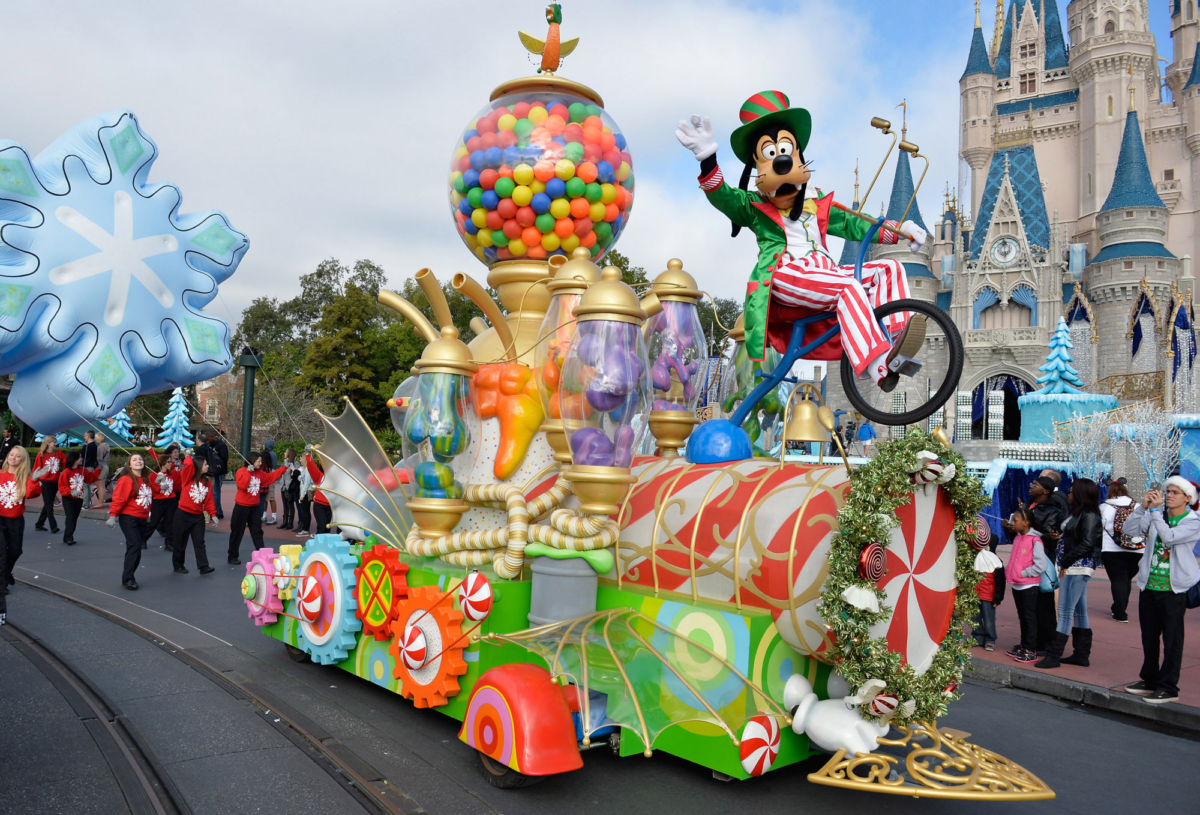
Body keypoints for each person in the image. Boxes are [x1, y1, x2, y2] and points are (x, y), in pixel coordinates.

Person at [1122, 477, 1200, 705]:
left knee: (1172, 639)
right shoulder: (1157, 515)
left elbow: (1170, 537)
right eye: (1167, 492)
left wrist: (1154, 513)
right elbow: (1129, 530)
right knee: (1149, 636)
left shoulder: (1193, 521)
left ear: (1187, 498)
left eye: (1175, 492)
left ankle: (1168, 687)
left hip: (1174, 589)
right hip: (1149, 585)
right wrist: (1143, 507)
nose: (1169, 495)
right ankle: (1149, 680)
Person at [1037, 478, 1102, 669]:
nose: (1069, 495)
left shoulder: (1089, 515)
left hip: (1076, 566)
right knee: (1080, 610)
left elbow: (1087, 543)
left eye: (1072, 491)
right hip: (1072, 564)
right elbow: (1075, 537)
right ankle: (1081, 654)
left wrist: (1065, 560)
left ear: (1081, 494)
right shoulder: (1078, 514)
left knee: (1065, 611)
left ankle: (1054, 655)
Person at [0, 448, 50, 622]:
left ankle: (6, 574)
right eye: (11, 455)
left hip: (15, 519)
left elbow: (31, 494)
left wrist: (35, 480)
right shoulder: (1, 474)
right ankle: (3, 583)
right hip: (0, 519)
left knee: (15, 550)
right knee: (2, 553)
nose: (13, 458)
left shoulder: (25, 477)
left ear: (23, 460)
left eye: (17, 456)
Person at [1004, 508, 1049, 663]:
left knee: (1029, 617)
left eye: (1015, 521)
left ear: (1026, 522)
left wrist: (1024, 573)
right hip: (1017, 584)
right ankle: (1024, 645)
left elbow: (1041, 565)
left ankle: (1031, 649)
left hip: (1028, 585)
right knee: (1022, 616)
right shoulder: (1018, 537)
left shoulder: (1034, 540)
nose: (1012, 523)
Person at [227, 452, 286, 565]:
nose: (260, 463)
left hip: (254, 507)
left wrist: (283, 469)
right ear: (251, 461)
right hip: (241, 507)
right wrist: (248, 472)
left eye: (260, 461)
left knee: (257, 532)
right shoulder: (241, 471)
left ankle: (262, 553)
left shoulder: (259, 473)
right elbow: (243, 486)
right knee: (237, 532)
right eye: (258, 461)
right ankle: (232, 555)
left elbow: (270, 478)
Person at [107, 454, 153, 591]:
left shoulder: (145, 480)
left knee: (134, 547)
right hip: (129, 518)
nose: (138, 461)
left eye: (140, 459)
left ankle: (128, 575)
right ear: (129, 465)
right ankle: (128, 578)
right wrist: (112, 516)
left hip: (142, 518)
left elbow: (150, 494)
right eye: (134, 460)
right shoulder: (126, 479)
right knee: (135, 545)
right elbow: (119, 498)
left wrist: (159, 487)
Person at [1100, 478, 1141, 624]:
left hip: (1111, 549)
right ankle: (1119, 607)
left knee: (1118, 580)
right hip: (1136, 550)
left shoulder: (1104, 507)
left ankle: (1120, 612)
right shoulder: (1137, 506)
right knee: (1126, 579)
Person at [172, 454, 218, 575]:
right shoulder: (188, 477)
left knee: (199, 542)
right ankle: (178, 565)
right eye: (205, 464)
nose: (207, 466)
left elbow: (209, 500)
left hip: (198, 516)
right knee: (180, 542)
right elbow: (188, 466)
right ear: (198, 466)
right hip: (183, 514)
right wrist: (188, 456)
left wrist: (213, 514)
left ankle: (203, 566)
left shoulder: (207, 482)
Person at [973, 526, 1005, 651]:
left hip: (989, 597)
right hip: (976, 594)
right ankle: (977, 636)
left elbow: (1000, 582)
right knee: (975, 618)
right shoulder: (977, 559)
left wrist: (997, 599)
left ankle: (990, 639)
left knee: (989, 619)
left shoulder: (997, 562)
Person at [58, 451, 100, 546]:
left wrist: (98, 469)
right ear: (75, 459)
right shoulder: (66, 472)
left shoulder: (83, 470)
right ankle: (69, 537)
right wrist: (71, 492)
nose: (81, 459)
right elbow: (62, 487)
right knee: (70, 517)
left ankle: (67, 536)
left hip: (79, 498)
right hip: (68, 498)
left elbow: (90, 478)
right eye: (80, 458)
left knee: (74, 518)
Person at [33, 436, 66, 534]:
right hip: (45, 481)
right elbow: (36, 469)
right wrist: (37, 480)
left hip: (55, 481)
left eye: (55, 442)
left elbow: (66, 464)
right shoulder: (41, 455)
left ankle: (39, 524)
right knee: (49, 504)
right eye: (54, 442)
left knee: (48, 503)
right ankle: (53, 526)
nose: (55, 444)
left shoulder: (59, 453)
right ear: (48, 443)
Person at [146, 453, 178, 552]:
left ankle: (169, 543)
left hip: (171, 500)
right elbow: (151, 489)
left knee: (170, 522)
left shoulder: (171, 473)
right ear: (162, 463)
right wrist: (158, 485)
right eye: (168, 462)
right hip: (158, 501)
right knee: (154, 522)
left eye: (170, 462)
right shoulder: (153, 475)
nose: (170, 463)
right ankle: (143, 539)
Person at [306, 449, 331, 534]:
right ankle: (318, 546)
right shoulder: (319, 476)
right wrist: (308, 454)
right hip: (319, 506)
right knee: (322, 527)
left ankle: (326, 546)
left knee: (328, 529)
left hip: (330, 506)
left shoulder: (335, 477)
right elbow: (312, 467)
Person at [279, 448, 300, 530]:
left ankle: (290, 523)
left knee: (290, 505)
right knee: (285, 505)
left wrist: (287, 461)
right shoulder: (285, 462)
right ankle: (285, 522)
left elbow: (294, 473)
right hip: (283, 486)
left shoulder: (295, 463)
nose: (284, 453)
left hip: (290, 487)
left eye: (286, 452)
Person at [261, 440, 280, 524]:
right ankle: (264, 515)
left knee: (270, 497)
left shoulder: (269, 455)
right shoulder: (272, 454)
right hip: (268, 477)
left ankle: (274, 517)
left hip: (269, 478)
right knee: (265, 498)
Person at [295, 462, 314, 538]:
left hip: (306, 492)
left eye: (301, 458)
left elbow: (307, 483)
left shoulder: (308, 470)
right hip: (304, 491)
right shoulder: (304, 469)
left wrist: (302, 495)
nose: (300, 460)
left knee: (306, 511)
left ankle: (306, 530)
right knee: (305, 511)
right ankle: (305, 529)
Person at [93, 432, 111, 507]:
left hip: (101, 467)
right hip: (105, 466)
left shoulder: (100, 447)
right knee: (102, 486)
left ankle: (100, 503)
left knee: (99, 486)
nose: (95, 439)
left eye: (96, 437)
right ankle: (101, 502)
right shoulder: (106, 446)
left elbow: (99, 458)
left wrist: (97, 467)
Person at [82, 430, 98, 507]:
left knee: (85, 486)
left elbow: (80, 456)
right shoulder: (95, 446)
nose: (84, 437)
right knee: (87, 486)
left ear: (88, 437)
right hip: (91, 467)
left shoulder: (86, 447)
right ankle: (87, 502)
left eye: (85, 436)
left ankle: (85, 504)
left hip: (86, 468)